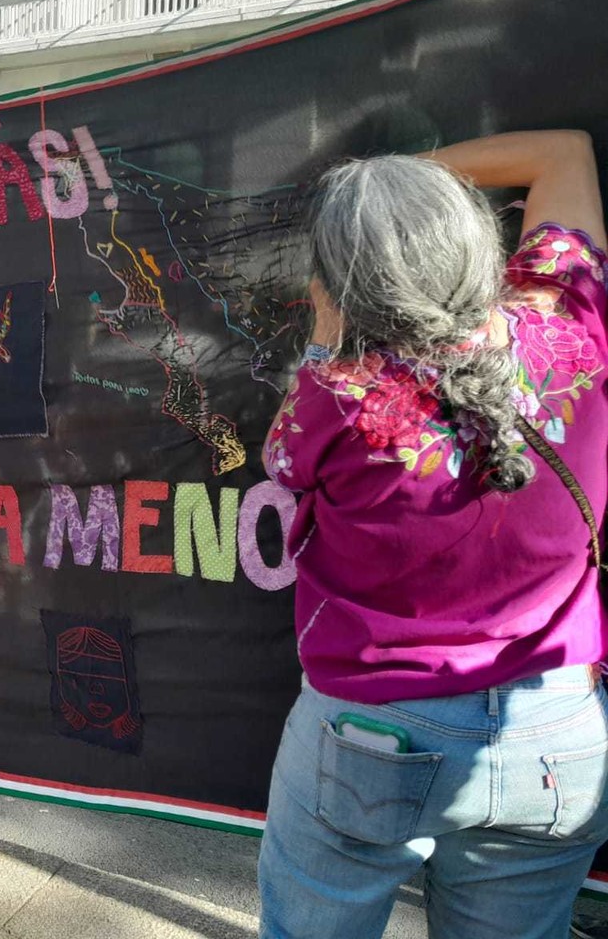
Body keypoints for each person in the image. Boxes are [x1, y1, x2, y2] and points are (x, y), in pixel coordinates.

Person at [258, 130, 608, 939]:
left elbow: (282, 463)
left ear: (340, 288)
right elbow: (566, 155)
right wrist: (409, 184)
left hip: (378, 729)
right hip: (555, 729)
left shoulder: (332, 396)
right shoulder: (573, 335)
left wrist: (324, 327)